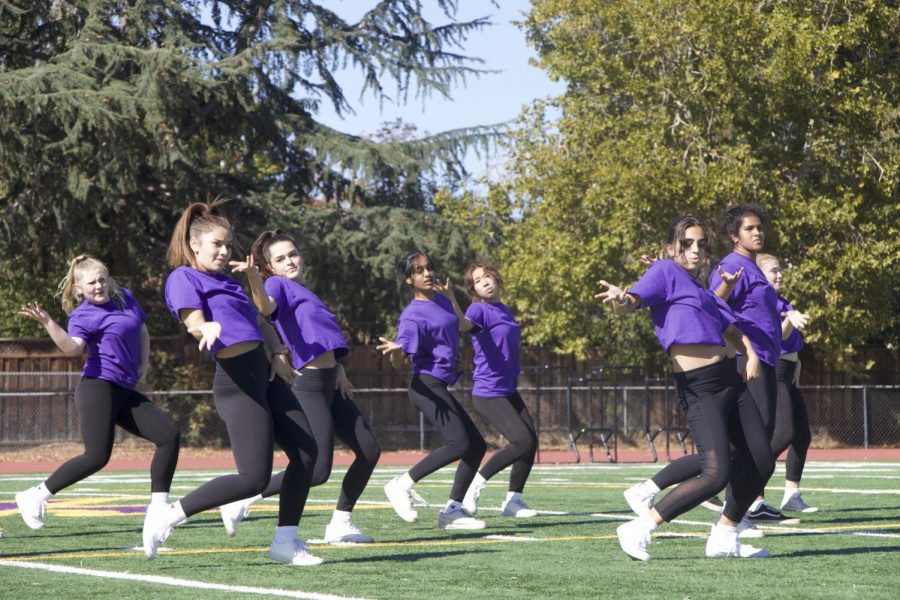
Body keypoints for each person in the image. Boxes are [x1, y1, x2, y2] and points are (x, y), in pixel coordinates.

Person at [141, 201, 321, 566]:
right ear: (195, 244)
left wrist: (277, 357)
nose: (224, 252)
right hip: (236, 381)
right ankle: (171, 513)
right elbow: (192, 320)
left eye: (227, 245)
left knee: (307, 453)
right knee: (254, 478)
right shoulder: (183, 277)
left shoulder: (229, 281)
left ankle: (285, 542)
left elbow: (261, 323)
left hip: (266, 376)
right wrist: (202, 326)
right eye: (216, 245)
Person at [596, 214, 774, 560]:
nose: (695, 250)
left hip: (728, 379)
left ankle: (725, 535)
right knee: (715, 473)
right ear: (670, 247)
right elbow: (630, 302)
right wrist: (621, 298)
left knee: (761, 461)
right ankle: (640, 527)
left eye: (701, 243)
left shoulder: (700, 289)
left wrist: (750, 354)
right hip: (698, 386)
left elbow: (731, 327)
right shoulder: (663, 272)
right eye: (687, 243)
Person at [216, 230, 381, 543]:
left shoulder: (302, 290)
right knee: (316, 470)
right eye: (280, 258)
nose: (290, 261)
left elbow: (320, 337)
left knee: (369, 450)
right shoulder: (275, 284)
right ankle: (245, 498)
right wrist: (254, 278)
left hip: (331, 382)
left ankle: (340, 524)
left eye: (293, 254)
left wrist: (339, 367)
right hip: (308, 385)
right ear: (269, 266)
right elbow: (264, 308)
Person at [15, 255, 180, 533]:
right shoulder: (82, 315)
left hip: (125, 389)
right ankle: (35, 495)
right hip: (97, 388)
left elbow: (142, 330)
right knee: (96, 457)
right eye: (91, 282)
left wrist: (144, 364)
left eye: (102, 279)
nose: (99, 285)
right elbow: (72, 348)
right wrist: (48, 323)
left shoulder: (125, 298)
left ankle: (158, 510)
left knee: (169, 437)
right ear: (79, 288)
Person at [376, 251, 488, 530]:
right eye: (418, 271)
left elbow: (454, 331)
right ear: (408, 280)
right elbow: (399, 359)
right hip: (425, 385)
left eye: (429, 268)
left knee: (477, 446)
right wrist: (397, 351)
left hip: (440, 383)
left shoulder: (441, 300)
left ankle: (453, 509)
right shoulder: (412, 315)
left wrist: (456, 357)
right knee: (459, 443)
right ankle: (401, 484)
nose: (427, 273)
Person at [709, 205, 786, 521]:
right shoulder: (731, 266)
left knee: (758, 439)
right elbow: (711, 307)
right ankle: (726, 509)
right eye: (749, 228)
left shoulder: (753, 267)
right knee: (752, 444)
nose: (757, 232)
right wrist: (745, 354)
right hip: (746, 361)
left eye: (759, 228)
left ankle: (735, 512)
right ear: (733, 235)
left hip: (765, 360)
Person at [459, 261, 538, 518]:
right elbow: (463, 325)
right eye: (477, 280)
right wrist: (449, 298)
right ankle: (475, 485)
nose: (484, 282)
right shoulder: (478, 310)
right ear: (474, 289)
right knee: (522, 440)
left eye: (486, 276)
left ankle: (513, 501)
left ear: (495, 277)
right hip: (488, 392)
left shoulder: (503, 309)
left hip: (508, 389)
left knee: (531, 442)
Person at [756, 253, 817, 513]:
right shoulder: (764, 304)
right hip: (775, 372)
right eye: (773, 271)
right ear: (760, 275)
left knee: (802, 436)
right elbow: (776, 340)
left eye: (780, 270)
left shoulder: (782, 301)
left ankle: (792, 494)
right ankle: (750, 492)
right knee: (782, 434)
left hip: (789, 372)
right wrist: (788, 320)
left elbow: (791, 345)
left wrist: (799, 364)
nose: (779, 275)